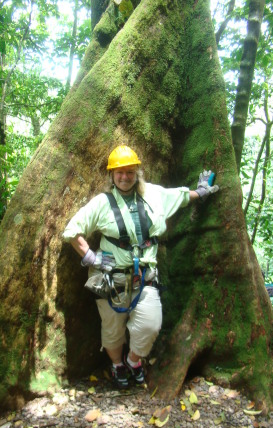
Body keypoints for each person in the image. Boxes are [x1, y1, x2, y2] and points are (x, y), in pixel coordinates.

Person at [63, 145, 219, 389]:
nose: (124, 177)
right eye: (119, 173)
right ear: (112, 176)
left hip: (144, 278)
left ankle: (134, 361)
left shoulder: (152, 195)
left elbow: (179, 197)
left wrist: (200, 191)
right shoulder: (102, 203)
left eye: (129, 172)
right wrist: (92, 258)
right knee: (112, 330)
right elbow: (71, 231)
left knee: (150, 324)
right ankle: (117, 366)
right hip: (111, 280)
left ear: (137, 173)